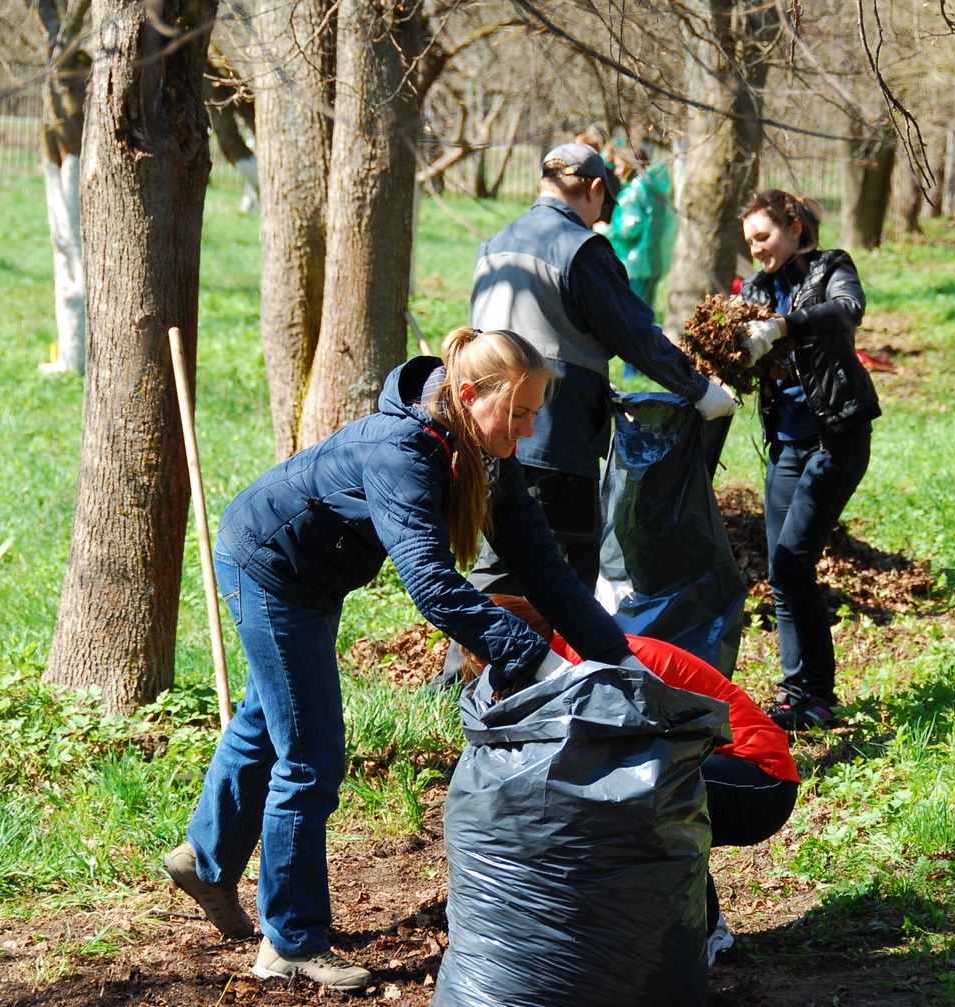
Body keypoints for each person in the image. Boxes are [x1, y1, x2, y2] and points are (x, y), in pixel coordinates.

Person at [163, 328, 639, 990]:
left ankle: (207, 862)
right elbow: (433, 585)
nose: (527, 431)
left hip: (311, 573)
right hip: (269, 567)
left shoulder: (483, 450)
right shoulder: (404, 453)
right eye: (520, 412)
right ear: (469, 395)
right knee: (311, 753)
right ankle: (290, 942)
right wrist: (539, 661)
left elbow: (547, 572)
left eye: (535, 414)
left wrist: (617, 660)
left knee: (268, 716)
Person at [459, 594, 800, 966]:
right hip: (715, 769)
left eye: (485, 665)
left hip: (759, 779)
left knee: (638, 799)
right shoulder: (562, 660)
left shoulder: (580, 667)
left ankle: (701, 932)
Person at [465, 141, 735, 596]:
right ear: (594, 187)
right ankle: (561, 668)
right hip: (553, 434)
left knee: (500, 562)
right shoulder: (580, 247)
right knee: (567, 570)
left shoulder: (495, 245)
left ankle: (464, 669)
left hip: (488, 429)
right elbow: (634, 335)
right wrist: (700, 390)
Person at [735, 190, 882, 731]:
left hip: (835, 436)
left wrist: (785, 326)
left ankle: (814, 696)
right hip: (787, 447)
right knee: (782, 571)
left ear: (794, 227)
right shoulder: (753, 290)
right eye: (750, 242)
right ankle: (798, 694)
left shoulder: (829, 268)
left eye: (764, 237)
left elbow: (849, 310)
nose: (757, 250)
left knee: (793, 561)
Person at [604, 145, 677, 379]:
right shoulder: (652, 188)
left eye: (617, 165)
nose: (615, 171)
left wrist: (606, 230)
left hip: (635, 263)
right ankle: (644, 367)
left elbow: (630, 226)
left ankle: (631, 371)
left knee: (630, 319)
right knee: (645, 316)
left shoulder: (633, 192)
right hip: (651, 260)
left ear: (628, 164)